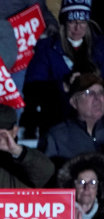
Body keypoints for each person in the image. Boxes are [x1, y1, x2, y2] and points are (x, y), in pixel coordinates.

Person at [25, 0, 104, 132]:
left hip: (97, 120)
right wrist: (63, 85)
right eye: (72, 22)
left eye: (82, 22)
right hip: (59, 119)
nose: (77, 28)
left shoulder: (100, 48)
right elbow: (32, 88)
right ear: (64, 23)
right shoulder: (47, 49)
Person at [40, 73, 104, 165]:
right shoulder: (56, 136)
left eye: (101, 92)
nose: (97, 98)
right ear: (74, 102)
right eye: (89, 93)